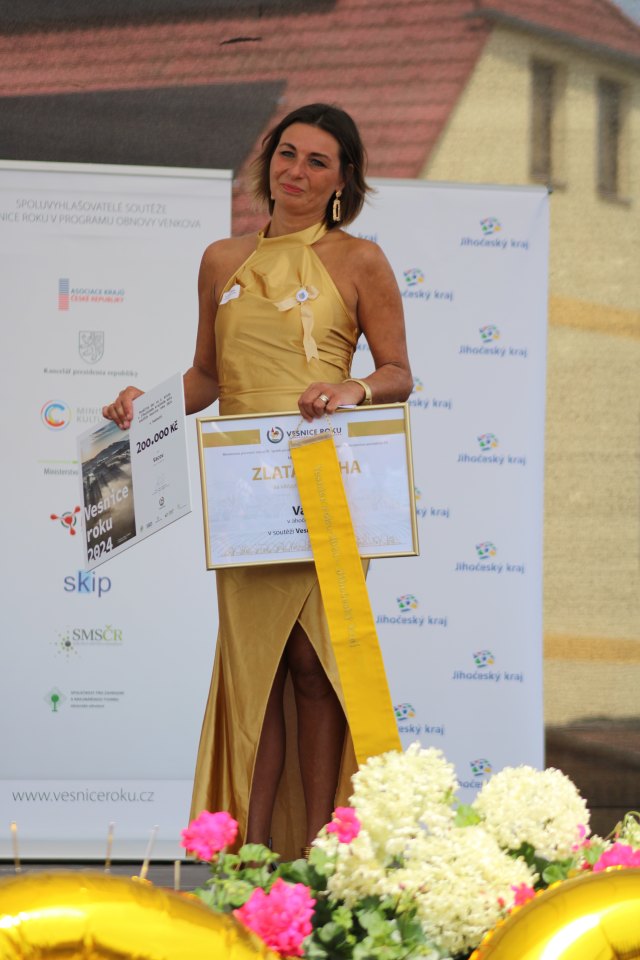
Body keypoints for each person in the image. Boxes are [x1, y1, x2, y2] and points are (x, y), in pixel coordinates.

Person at [103, 103, 412, 860]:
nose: (296, 171)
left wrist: (352, 389)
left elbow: (399, 373)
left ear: (342, 181)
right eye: (287, 153)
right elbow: (209, 377)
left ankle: (319, 854)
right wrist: (149, 405)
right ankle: (252, 852)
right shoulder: (221, 259)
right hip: (245, 492)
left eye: (317, 161)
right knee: (258, 671)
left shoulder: (361, 260)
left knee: (314, 664)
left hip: (324, 482)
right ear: (267, 160)